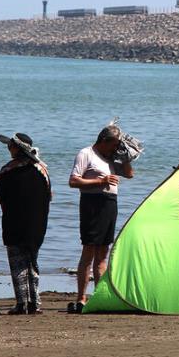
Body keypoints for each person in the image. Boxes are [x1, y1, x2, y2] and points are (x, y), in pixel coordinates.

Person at [67, 123, 133, 312]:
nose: (115, 148)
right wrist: (101, 181)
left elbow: (129, 174)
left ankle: (99, 295)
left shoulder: (111, 157)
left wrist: (124, 156)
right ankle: (81, 297)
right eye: (113, 145)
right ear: (103, 141)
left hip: (110, 203)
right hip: (91, 203)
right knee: (88, 251)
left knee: (103, 253)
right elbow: (73, 181)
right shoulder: (86, 154)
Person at [0, 132, 52, 315]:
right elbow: (48, 198)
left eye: (10, 146)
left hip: (13, 223)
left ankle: (22, 303)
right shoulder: (42, 170)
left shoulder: (6, 171)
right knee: (32, 261)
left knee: (17, 263)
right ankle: (35, 303)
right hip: (37, 224)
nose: (8, 148)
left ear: (16, 149)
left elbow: (1, 202)